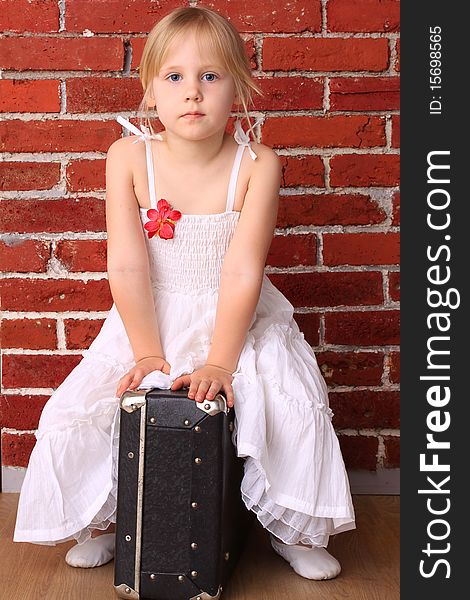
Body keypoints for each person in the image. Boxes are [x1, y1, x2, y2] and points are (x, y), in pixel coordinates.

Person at [13, 5, 355, 580]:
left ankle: (290, 526)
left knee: (286, 404)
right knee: (96, 405)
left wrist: (221, 361)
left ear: (239, 88)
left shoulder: (256, 165)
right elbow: (126, 265)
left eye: (211, 76)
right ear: (149, 92)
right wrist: (147, 351)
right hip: (151, 311)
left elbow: (243, 271)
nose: (192, 93)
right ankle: (111, 522)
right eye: (174, 77)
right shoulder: (127, 158)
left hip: (236, 316)